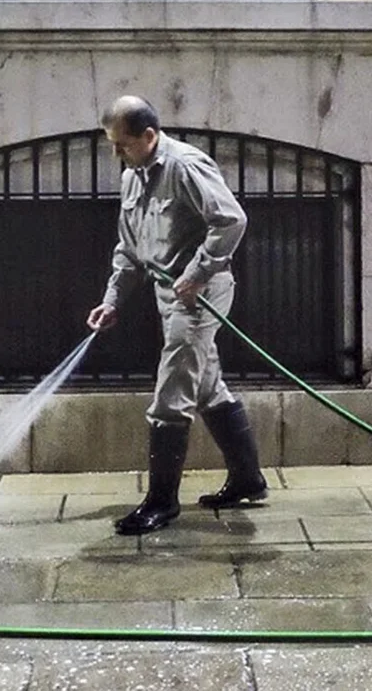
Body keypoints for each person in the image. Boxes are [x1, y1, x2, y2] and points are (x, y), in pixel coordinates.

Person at [87, 96, 269, 535]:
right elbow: (129, 250)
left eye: (123, 144)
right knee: (206, 385)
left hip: (198, 296)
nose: (117, 153)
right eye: (113, 144)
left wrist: (199, 272)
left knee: (173, 388)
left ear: (149, 136)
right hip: (166, 292)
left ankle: (161, 503)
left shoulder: (186, 166)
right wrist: (113, 300)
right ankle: (248, 479)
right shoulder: (133, 177)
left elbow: (230, 220)